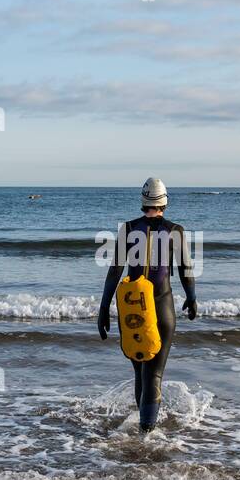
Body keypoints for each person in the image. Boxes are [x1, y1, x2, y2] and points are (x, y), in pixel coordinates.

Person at [97, 178, 198, 432]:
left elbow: (114, 272)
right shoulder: (175, 230)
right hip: (161, 308)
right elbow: (185, 269)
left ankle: (142, 431)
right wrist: (192, 296)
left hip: (131, 310)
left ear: (143, 201)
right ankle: (147, 437)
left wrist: (103, 308)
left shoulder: (129, 228)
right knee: (154, 375)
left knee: (141, 373)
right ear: (165, 201)